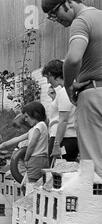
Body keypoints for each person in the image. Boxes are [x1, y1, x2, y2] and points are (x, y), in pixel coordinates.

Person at [41, 0, 102, 176]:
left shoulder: (81, 21)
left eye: (54, 12)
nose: (56, 19)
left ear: (68, 2)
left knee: (95, 165)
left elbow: (73, 59)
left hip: (93, 94)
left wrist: (69, 85)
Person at [0, 102, 49, 185]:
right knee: (31, 184)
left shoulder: (40, 125)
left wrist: (26, 158)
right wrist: (3, 145)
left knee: (32, 185)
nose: (25, 120)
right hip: (38, 159)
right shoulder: (33, 129)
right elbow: (17, 139)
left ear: (35, 114)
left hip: (36, 159)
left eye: (27, 117)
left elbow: (32, 144)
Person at [42, 59, 79, 164]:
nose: (48, 81)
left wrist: (56, 145)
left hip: (64, 139)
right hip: (68, 138)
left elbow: (63, 120)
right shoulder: (66, 91)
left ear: (52, 74)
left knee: (57, 172)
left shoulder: (64, 92)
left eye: (48, 77)